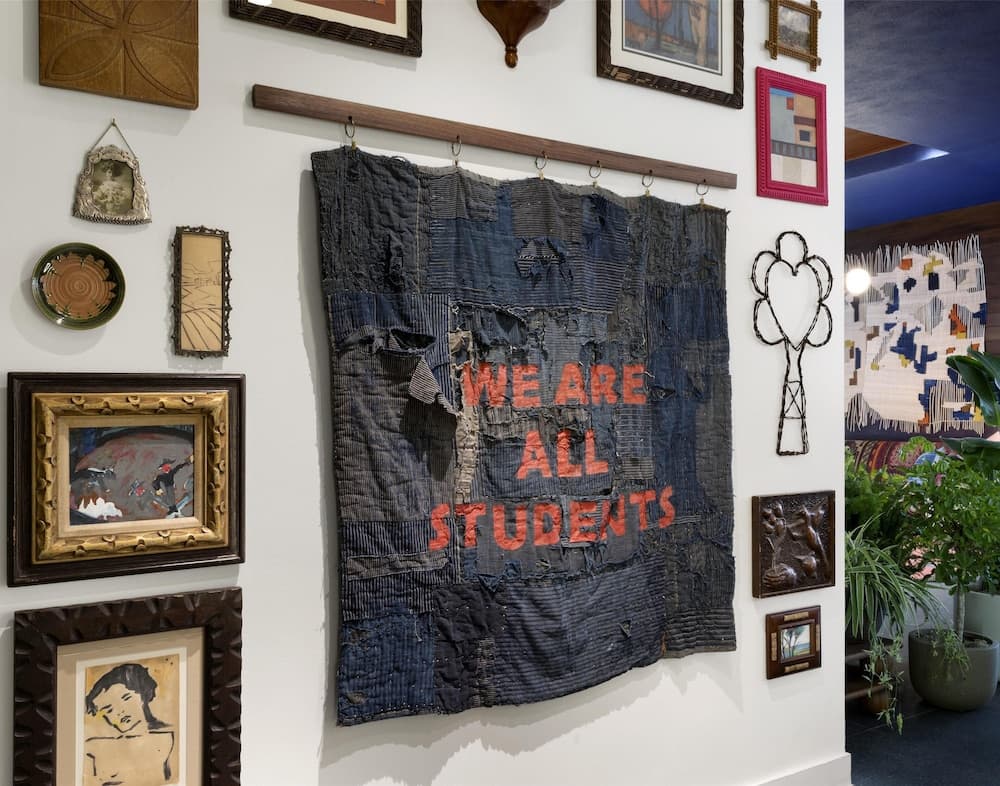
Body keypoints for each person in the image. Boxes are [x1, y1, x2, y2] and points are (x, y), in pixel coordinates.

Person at [84, 663, 175, 786]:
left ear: (142, 696)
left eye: (126, 698)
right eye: (109, 710)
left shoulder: (168, 740)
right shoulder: (92, 748)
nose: (120, 711)